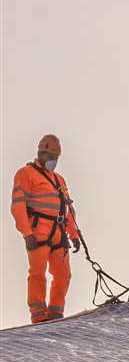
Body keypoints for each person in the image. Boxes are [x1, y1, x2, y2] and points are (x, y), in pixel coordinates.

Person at [10, 134, 81, 324]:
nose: (53, 161)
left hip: (58, 234)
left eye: (56, 158)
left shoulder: (60, 180)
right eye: (50, 157)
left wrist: (74, 234)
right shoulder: (25, 174)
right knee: (37, 273)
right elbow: (18, 206)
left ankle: (56, 313)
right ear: (40, 153)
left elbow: (67, 209)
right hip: (37, 233)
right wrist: (27, 233)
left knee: (63, 274)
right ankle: (39, 315)